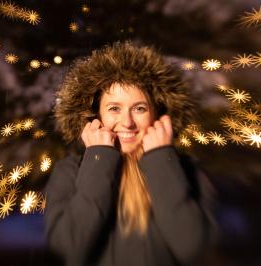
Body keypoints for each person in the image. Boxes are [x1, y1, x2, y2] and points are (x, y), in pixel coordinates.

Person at [44, 41, 212, 266]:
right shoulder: (70, 172)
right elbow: (69, 250)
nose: (127, 122)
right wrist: (99, 159)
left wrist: (162, 159)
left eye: (139, 108)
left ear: (157, 114)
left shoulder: (186, 169)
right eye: (114, 108)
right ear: (96, 116)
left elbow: (194, 249)